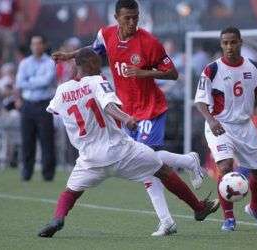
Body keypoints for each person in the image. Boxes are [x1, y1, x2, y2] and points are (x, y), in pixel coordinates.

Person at [52, 0, 203, 236]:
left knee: (151, 162)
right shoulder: (106, 34)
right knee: (149, 166)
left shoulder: (150, 42)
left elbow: (173, 73)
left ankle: (169, 216)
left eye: (135, 17)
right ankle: (186, 167)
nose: (132, 22)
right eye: (127, 18)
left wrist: (145, 72)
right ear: (116, 17)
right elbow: (91, 52)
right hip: (128, 110)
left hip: (150, 108)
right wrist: (69, 56)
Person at [37, 48, 219, 238]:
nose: (101, 67)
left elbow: (54, 110)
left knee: (71, 192)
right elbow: (108, 105)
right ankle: (198, 208)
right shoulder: (97, 81)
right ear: (90, 64)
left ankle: (58, 218)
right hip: (120, 150)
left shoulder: (62, 90)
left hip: (89, 158)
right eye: (98, 63)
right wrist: (125, 118)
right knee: (162, 170)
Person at [194, 26, 257, 231]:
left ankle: (255, 207)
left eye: (233, 42)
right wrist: (210, 120)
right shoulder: (212, 69)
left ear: (240, 42)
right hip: (219, 125)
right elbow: (200, 102)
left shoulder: (253, 67)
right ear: (221, 44)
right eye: (225, 43)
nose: (229, 46)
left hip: (245, 126)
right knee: (225, 166)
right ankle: (228, 218)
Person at [15, 35, 56, 181]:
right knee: (27, 140)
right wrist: (34, 82)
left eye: (39, 43)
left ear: (44, 45)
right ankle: (26, 172)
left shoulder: (50, 62)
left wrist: (29, 81)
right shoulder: (25, 63)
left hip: (44, 104)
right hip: (28, 104)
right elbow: (20, 82)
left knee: (47, 140)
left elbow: (47, 81)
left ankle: (48, 174)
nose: (36, 46)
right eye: (33, 44)